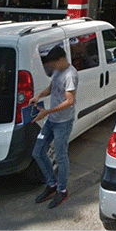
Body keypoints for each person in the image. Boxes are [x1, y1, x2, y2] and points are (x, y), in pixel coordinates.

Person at [30, 44, 77, 211]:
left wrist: (47, 112)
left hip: (63, 122)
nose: (51, 67)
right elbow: (52, 88)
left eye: (53, 64)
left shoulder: (70, 75)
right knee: (38, 151)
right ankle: (52, 184)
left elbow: (70, 101)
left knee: (60, 155)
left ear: (61, 59)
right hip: (51, 120)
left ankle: (62, 190)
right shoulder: (58, 72)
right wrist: (39, 95)